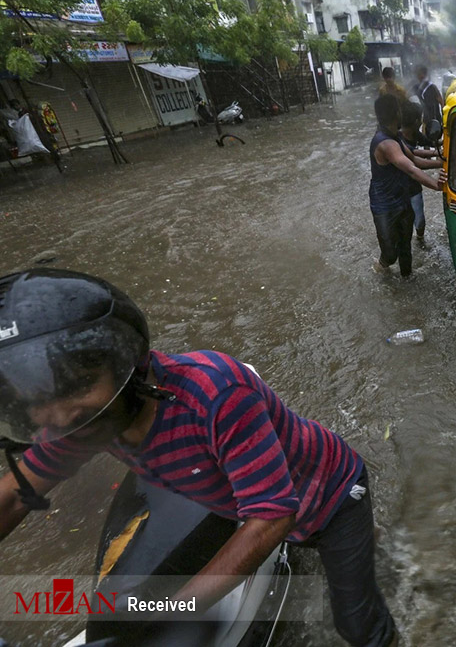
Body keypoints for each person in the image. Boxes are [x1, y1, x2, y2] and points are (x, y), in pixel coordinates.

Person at [0, 269, 398, 646]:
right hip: (273, 503)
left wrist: (178, 609)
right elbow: (16, 494)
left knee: (356, 623)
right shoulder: (82, 421)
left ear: (127, 363)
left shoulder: (216, 395)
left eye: (80, 385)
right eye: (39, 401)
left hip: (332, 496)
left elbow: (273, 516)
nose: (58, 416)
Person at [369, 94, 445, 276]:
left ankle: (407, 280)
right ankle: (380, 267)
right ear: (396, 113)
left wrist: (443, 161)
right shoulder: (385, 143)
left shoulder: (395, 137)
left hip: (402, 199)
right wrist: (436, 185)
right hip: (384, 206)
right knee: (390, 254)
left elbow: (415, 159)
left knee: (405, 248)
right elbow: (410, 169)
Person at [399, 101, 441, 245]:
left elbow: (428, 142)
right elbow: (416, 160)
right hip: (400, 187)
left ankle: (420, 239)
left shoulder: (415, 134)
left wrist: (441, 145)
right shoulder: (398, 141)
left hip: (413, 186)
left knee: (420, 219)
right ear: (417, 121)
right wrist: (442, 161)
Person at [410, 65, 443, 134]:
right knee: (426, 137)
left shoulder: (432, 87)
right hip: (425, 118)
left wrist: (444, 115)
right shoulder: (416, 87)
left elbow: (441, 101)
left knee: (435, 136)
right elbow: (409, 97)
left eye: (419, 73)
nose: (418, 76)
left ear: (424, 74)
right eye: (417, 74)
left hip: (435, 117)